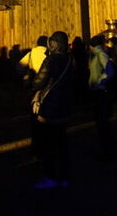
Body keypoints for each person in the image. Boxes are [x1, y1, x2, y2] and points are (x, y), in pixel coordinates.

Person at [31, 30, 73, 189]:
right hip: (65, 105)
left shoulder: (50, 60)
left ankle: (49, 177)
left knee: (47, 144)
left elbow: (39, 82)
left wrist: (31, 83)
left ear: (53, 44)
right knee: (62, 143)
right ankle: (64, 177)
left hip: (50, 107)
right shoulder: (69, 60)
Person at [88, 33, 115, 159]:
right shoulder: (97, 55)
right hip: (98, 92)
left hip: (100, 92)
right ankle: (106, 149)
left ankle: (107, 151)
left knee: (102, 123)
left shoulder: (99, 55)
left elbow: (110, 71)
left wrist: (100, 82)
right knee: (101, 123)